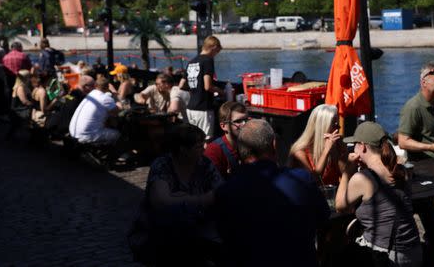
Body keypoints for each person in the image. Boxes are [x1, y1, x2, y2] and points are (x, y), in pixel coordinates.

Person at [215, 119, 330, 267]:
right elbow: (324, 219)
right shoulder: (302, 180)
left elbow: (225, 236)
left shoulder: (226, 192)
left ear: (240, 150)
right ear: (274, 145)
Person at [336, 121, 422, 267]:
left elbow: (340, 206)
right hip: (414, 252)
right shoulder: (401, 171)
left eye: (355, 145)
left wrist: (347, 171)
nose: (353, 149)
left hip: (387, 256)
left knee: (341, 254)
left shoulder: (364, 178)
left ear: (362, 146)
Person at [140, 123, 223, 265]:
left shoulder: (204, 164)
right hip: (166, 235)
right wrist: (203, 199)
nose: (204, 148)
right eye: (199, 146)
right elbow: (161, 202)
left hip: (199, 229)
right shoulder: (163, 165)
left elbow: (220, 192)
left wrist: (181, 198)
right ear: (183, 149)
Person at [397, 62, 434, 160]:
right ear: (424, 83)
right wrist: (431, 147)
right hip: (422, 163)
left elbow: (433, 135)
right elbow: (402, 142)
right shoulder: (413, 107)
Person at [289, 103, 346, 186]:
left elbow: (346, 176)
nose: (339, 128)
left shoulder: (335, 145)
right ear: (323, 127)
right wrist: (326, 151)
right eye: (335, 125)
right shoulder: (300, 152)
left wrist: (341, 152)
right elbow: (313, 182)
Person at [182, 35, 222, 139]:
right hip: (203, 108)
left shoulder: (191, 62)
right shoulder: (207, 60)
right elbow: (208, 86)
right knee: (206, 140)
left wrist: (194, 89)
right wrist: (221, 91)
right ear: (213, 47)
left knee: (194, 140)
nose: (215, 55)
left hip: (190, 108)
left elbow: (181, 85)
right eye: (217, 52)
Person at [68, 75, 121, 144]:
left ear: (96, 85)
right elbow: (118, 110)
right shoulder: (105, 98)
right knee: (117, 134)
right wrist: (115, 93)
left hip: (73, 132)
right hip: (85, 136)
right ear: (108, 88)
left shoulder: (91, 94)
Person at [204, 101, 247, 178]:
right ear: (223, 126)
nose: (244, 124)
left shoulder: (250, 144)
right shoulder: (214, 151)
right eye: (238, 121)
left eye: (246, 119)